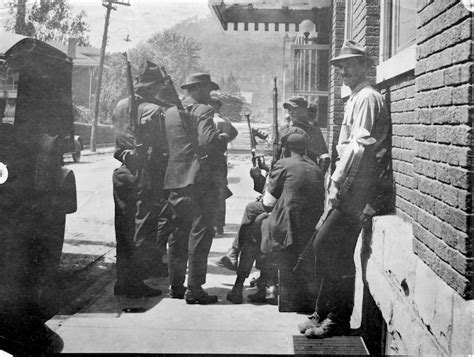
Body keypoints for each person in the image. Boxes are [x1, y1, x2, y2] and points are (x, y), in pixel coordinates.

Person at [297, 40, 391, 338]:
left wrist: (337, 184)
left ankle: (337, 317)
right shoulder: (355, 98)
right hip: (350, 182)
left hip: (358, 185)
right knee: (325, 246)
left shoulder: (366, 98)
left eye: (350, 64)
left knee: (329, 246)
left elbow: (357, 150)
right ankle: (324, 311)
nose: (344, 71)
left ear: (365, 66)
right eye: (340, 66)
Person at [225, 132, 325, 304]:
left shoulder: (284, 164)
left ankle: (238, 282)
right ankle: (267, 284)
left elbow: (269, 202)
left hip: (287, 226)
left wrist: (262, 177)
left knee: (253, 223)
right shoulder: (314, 167)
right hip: (309, 226)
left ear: (286, 148)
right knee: (261, 223)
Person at [164, 73, 227, 304]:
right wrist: (221, 138)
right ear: (199, 89)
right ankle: (195, 288)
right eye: (208, 90)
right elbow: (207, 142)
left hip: (174, 180)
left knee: (178, 234)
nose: (210, 95)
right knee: (200, 233)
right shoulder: (203, 111)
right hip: (199, 181)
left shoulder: (169, 113)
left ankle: (175, 286)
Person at [112, 60, 172, 298]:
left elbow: (118, 144)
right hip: (145, 174)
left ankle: (122, 279)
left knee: (123, 229)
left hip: (123, 171)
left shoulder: (120, 106)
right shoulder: (155, 110)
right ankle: (134, 282)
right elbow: (163, 147)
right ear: (155, 86)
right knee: (143, 229)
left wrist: (127, 154)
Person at [209, 98, 238, 235]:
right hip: (221, 158)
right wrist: (226, 141)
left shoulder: (210, 120)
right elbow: (234, 133)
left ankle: (212, 224)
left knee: (209, 191)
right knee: (220, 192)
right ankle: (219, 225)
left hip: (210, 159)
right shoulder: (225, 120)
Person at [281, 96, 330, 174]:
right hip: (287, 173)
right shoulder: (285, 130)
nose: (291, 112)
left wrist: (319, 175)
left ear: (303, 111)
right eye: (289, 110)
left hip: (308, 173)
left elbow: (324, 156)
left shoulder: (313, 130)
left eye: (294, 109)